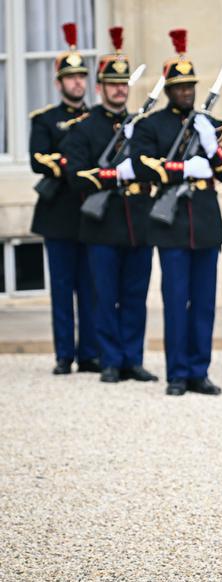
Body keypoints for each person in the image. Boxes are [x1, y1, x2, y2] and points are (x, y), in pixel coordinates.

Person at [131, 29, 222, 396]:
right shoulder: (151, 125)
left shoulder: (209, 124)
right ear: (168, 90)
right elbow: (142, 164)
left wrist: (214, 148)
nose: (187, 92)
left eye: (190, 86)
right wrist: (182, 169)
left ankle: (199, 371)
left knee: (204, 304)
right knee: (177, 302)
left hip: (205, 221)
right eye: (179, 87)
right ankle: (177, 372)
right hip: (172, 223)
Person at [62, 26, 157, 384]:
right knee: (105, 296)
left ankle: (132, 358)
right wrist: (115, 176)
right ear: (100, 88)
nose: (119, 89)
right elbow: (76, 176)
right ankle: (109, 360)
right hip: (102, 224)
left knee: (135, 296)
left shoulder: (141, 127)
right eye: (112, 83)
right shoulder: (84, 129)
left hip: (138, 221)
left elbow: (155, 165)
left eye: (123, 84)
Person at [30, 22, 98, 376]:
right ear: (58, 83)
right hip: (58, 213)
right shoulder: (46, 120)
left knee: (91, 289)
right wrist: (71, 163)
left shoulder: (96, 120)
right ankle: (63, 354)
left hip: (90, 213)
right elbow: (38, 158)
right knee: (61, 289)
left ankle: (89, 352)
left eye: (81, 77)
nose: (77, 83)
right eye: (70, 78)